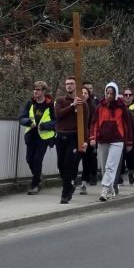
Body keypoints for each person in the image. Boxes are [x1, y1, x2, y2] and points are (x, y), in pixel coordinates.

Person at [88, 82, 133, 202]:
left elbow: (127, 124)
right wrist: (93, 137)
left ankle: (104, 189)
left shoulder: (121, 107)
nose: (109, 96)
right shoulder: (100, 106)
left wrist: (129, 141)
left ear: (116, 94)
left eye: (111, 94)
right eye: (107, 93)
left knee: (111, 166)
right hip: (103, 139)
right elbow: (94, 123)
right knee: (104, 167)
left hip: (117, 139)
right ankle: (111, 187)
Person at [51, 76, 85, 204]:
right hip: (61, 135)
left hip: (73, 136)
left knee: (69, 163)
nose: (69, 86)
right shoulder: (60, 100)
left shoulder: (81, 101)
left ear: (76, 86)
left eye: (71, 83)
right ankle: (69, 184)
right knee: (60, 165)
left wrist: (84, 139)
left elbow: (84, 120)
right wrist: (72, 106)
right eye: (67, 84)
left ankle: (65, 193)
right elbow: (58, 114)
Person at [17, 80, 55, 195]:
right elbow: (22, 118)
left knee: (37, 160)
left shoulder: (50, 105)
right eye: (34, 89)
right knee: (29, 160)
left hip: (43, 137)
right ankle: (38, 177)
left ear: (43, 91)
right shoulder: (30, 103)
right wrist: (28, 122)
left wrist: (45, 125)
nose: (35, 91)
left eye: (38, 89)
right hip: (31, 135)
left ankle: (35, 185)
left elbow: (56, 121)